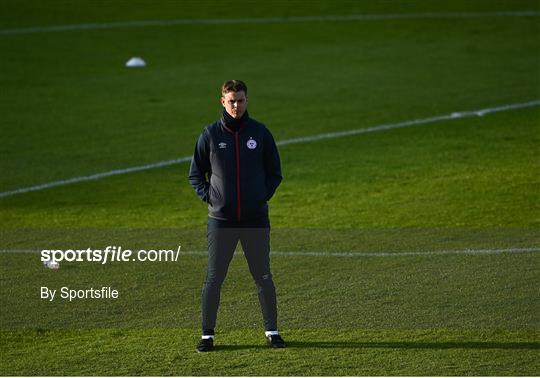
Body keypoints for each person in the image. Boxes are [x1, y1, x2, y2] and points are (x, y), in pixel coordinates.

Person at [188, 80, 285, 352]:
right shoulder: (210, 135)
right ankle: (207, 336)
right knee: (214, 277)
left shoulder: (260, 133)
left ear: (246, 100)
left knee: (263, 276)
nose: (236, 106)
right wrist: (213, 198)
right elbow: (195, 174)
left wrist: (259, 197)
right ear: (222, 101)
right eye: (231, 101)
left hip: (255, 220)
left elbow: (275, 172)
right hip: (221, 222)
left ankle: (272, 332)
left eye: (240, 100)